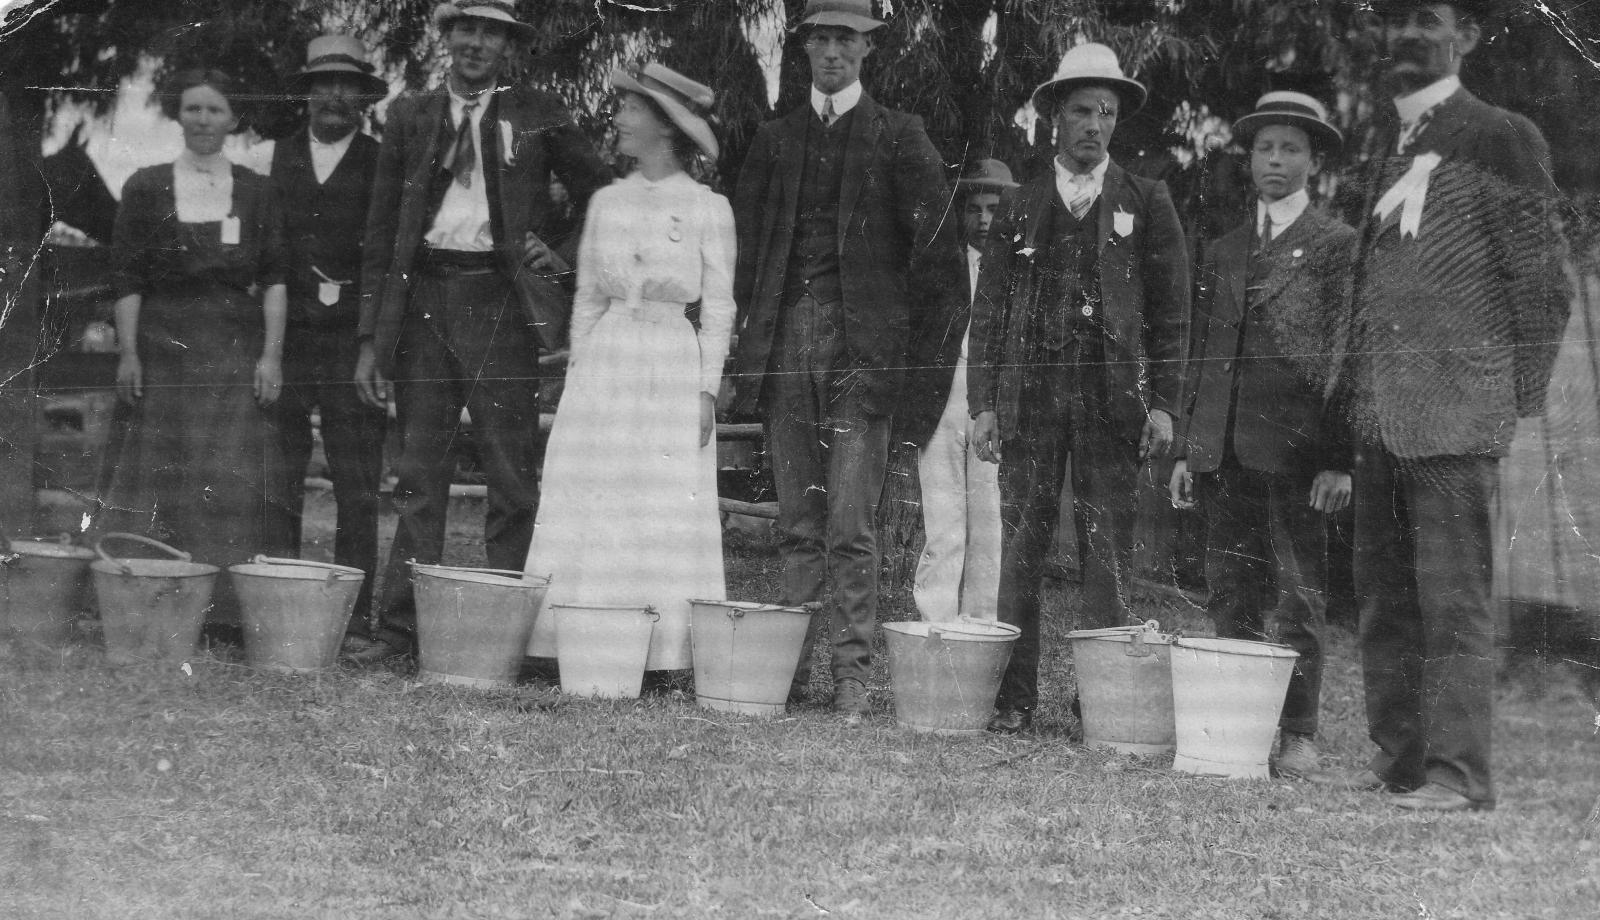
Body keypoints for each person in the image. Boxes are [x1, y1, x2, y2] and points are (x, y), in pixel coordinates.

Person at [1326, 0, 1568, 811]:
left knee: (1453, 601)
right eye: (1394, 20)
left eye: (1428, 18)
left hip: (1457, 417)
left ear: (1465, 36)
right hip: (1381, 417)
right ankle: (1399, 760)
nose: (1407, 34)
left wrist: (1507, 401)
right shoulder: (1391, 143)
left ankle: (1458, 776)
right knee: (1384, 598)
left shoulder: (1502, 134)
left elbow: (1543, 285)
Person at [349, 0, 610, 663]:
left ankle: (504, 634)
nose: (475, 42)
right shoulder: (411, 114)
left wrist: (562, 253)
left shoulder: (536, 109)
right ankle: (399, 633)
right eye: (465, 28)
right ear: (446, 38)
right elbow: (380, 233)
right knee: (416, 475)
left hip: (501, 303)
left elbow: (600, 193)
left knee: (512, 474)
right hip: (424, 303)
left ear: (506, 43)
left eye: (489, 32)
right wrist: (372, 339)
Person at [732, 0, 963, 718]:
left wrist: (912, 384)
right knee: (798, 520)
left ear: (868, 50)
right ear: (802, 49)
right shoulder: (775, 141)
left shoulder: (900, 138)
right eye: (821, 39)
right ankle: (787, 671)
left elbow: (943, 274)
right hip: (785, 346)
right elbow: (744, 258)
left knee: (851, 524)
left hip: (863, 356)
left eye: (848, 40)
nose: (833, 53)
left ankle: (852, 677)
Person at [968, 42, 1189, 735]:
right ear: (1053, 120)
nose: (1095, 124)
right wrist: (983, 405)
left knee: (1108, 551)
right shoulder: (1021, 205)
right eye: (1082, 111)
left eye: (1107, 112)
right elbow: (991, 312)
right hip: (1031, 399)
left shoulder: (1145, 201)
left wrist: (1162, 404)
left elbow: (1173, 314)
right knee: (1021, 548)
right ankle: (1013, 699)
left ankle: (1101, 703)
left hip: (1112, 399)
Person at [521, 63, 732, 672]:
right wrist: (579, 378)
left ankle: (661, 651)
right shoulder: (607, 203)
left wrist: (706, 393)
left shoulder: (706, 208)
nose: (617, 120)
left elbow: (717, 307)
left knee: (657, 493)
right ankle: (567, 643)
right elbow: (587, 298)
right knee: (595, 487)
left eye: (631, 110)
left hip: (669, 358)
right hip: (608, 358)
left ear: (665, 127)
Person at [1169, 91, 1354, 779]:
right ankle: (1239, 731)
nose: (1276, 160)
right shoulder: (1225, 247)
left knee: (1299, 595)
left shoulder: (1336, 245)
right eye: (1266, 148)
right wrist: (1191, 446)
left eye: (1291, 149)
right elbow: (1204, 353)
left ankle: (1299, 731)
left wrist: (1339, 460)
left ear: (1312, 161)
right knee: (1229, 590)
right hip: (1223, 450)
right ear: (1249, 158)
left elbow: (1346, 358)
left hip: (1297, 455)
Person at [96, 68, 287, 623]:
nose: (203, 120)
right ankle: (142, 597)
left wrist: (270, 356)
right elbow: (127, 278)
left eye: (215, 110)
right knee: (156, 464)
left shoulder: (257, 190)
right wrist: (129, 353)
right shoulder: (146, 185)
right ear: (178, 115)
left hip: (232, 347)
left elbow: (275, 278)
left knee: (225, 467)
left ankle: (221, 610)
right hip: (161, 346)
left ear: (233, 119)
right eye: (193, 109)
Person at [266, 34, 388, 645]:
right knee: (278, 473)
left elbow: (389, 259)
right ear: (307, 92)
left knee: (356, 482)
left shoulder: (380, 161)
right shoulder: (277, 157)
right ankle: (276, 605)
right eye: (324, 84)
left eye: (349, 86)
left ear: (365, 97)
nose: (335, 96)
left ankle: (354, 620)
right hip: (287, 340)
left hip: (351, 344)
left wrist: (372, 345)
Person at [901, 158, 1017, 624]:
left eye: (993, 208)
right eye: (974, 208)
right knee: (945, 522)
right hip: (945, 395)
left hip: (993, 400)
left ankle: (981, 625)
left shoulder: (1017, 271)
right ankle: (936, 625)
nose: (985, 219)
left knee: (988, 522)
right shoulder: (941, 268)